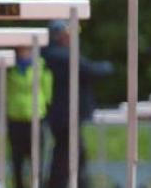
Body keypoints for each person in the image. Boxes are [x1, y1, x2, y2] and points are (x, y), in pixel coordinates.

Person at [42, 20, 113, 188]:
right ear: (59, 36)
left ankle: (80, 184)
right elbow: (91, 70)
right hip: (65, 114)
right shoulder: (61, 55)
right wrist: (108, 66)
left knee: (74, 154)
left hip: (62, 114)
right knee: (65, 155)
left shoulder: (49, 54)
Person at [7, 45, 52, 188]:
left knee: (37, 159)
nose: (24, 53)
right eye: (21, 50)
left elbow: (47, 89)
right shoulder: (10, 68)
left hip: (35, 116)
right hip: (16, 117)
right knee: (17, 160)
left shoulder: (41, 66)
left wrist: (45, 106)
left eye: (27, 50)